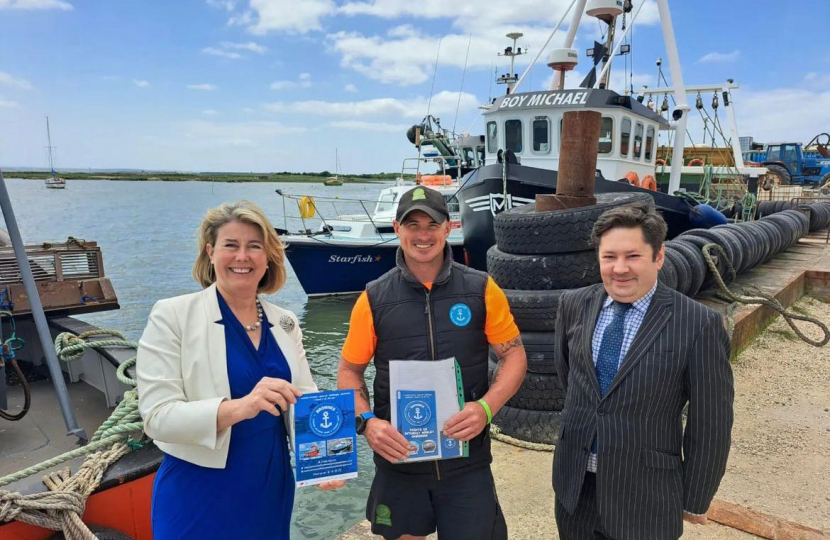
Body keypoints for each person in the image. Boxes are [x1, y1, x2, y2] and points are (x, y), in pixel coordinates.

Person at [336, 186, 527, 540]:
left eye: (432, 224)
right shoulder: (373, 298)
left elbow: (514, 354)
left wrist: (487, 407)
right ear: (397, 228)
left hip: (466, 464)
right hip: (399, 464)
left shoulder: (482, 288)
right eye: (413, 225)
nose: (422, 235)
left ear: (448, 227)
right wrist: (367, 423)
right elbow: (349, 371)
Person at [137, 200, 329, 540]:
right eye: (231, 245)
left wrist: (324, 460)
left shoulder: (285, 322)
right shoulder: (172, 316)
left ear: (268, 256)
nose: (243, 257)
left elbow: (305, 398)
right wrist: (242, 407)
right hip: (198, 489)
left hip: (270, 486)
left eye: (254, 246)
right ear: (210, 252)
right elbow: (157, 417)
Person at [552, 201, 734, 540]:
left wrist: (696, 499)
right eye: (609, 257)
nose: (620, 268)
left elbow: (711, 422)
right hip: (575, 489)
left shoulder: (698, 324)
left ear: (659, 257)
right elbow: (572, 382)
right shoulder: (573, 304)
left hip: (645, 497)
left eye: (633, 256)